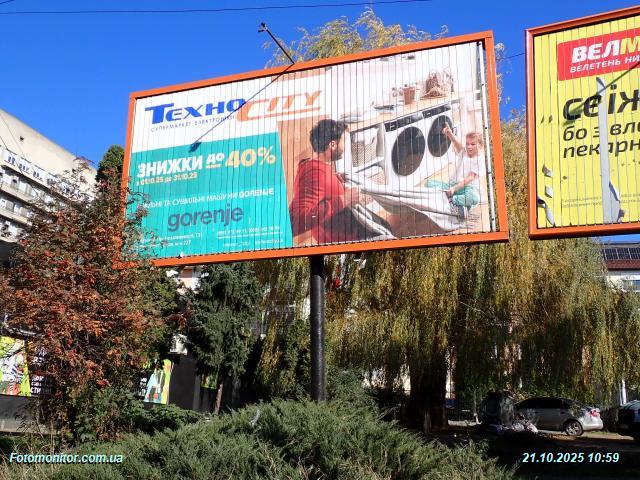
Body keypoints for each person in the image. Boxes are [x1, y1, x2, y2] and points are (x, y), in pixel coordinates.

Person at [289, 119, 365, 244]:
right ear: (333, 145)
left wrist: (336, 181)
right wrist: (344, 200)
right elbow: (294, 222)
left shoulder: (318, 166)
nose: (346, 146)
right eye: (344, 141)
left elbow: (322, 191)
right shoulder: (316, 173)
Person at [428, 126, 486, 217]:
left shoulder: (480, 159)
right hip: (453, 184)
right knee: (429, 184)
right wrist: (450, 134)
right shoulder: (464, 152)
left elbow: (470, 178)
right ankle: (461, 205)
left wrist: (454, 189)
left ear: (480, 145)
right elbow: (456, 142)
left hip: (468, 188)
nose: (469, 147)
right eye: (467, 144)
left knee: (474, 198)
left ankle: (453, 201)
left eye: (473, 144)